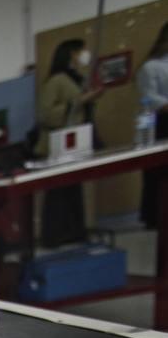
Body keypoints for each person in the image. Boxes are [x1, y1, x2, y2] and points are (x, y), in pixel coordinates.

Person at [36, 39, 103, 246]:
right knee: (57, 192)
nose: (85, 54)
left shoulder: (78, 78)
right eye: (80, 51)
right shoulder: (57, 81)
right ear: (71, 54)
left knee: (74, 189)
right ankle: (55, 235)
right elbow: (45, 114)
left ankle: (75, 231)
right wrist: (81, 100)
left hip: (76, 142)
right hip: (58, 144)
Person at [136, 22, 168, 226]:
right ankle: (156, 216)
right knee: (159, 173)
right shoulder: (150, 67)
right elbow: (149, 97)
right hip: (161, 123)